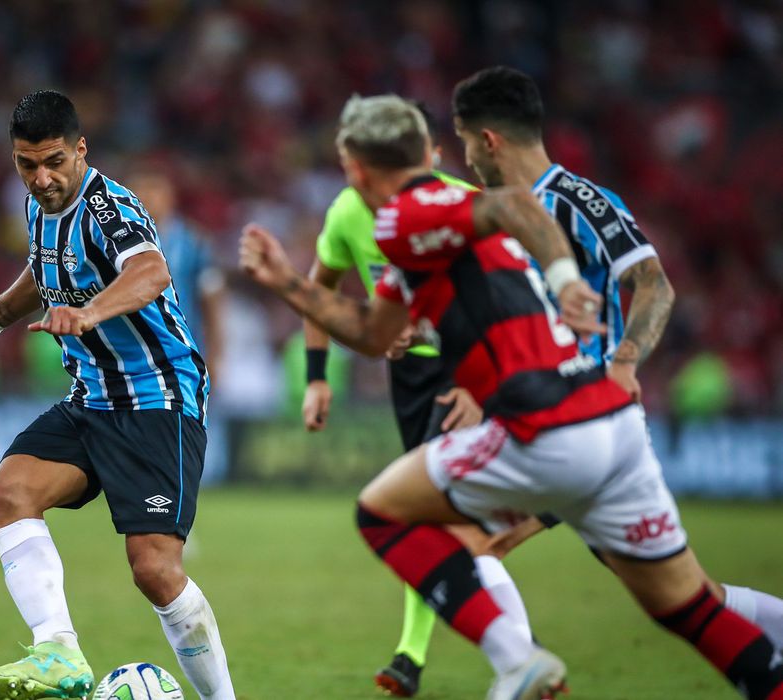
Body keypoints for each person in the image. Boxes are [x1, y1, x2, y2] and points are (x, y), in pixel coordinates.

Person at [239, 94, 783, 699]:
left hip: (543, 427)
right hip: (612, 422)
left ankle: (515, 659)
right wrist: (286, 282)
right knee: (689, 607)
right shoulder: (425, 223)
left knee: (383, 513)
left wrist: (566, 279)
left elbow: (516, 205)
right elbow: (373, 333)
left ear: (356, 169)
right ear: (426, 152)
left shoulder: (409, 215)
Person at [452, 65, 783, 650]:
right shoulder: (493, 214)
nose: (466, 158)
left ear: (489, 139)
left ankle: (523, 674)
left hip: (587, 422)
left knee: (470, 542)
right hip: (549, 423)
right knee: (687, 599)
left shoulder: (577, 200)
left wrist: (625, 361)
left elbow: (654, 283)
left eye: (463, 141)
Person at [0, 90, 235, 700]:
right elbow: (44, 270)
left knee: (154, 570)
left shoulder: (109, 207)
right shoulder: (37, 207)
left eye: (54, 162)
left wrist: (90, 313)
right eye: (27, 165)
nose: (42, 179)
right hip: (92, 398)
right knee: (6, 494)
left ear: (80, 149)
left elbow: (151, 271)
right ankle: (59, 652)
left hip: (157, 397)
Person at [301, 102, 538, 697]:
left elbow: (508, 294)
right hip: (408, 376)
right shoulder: (349, 213)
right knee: (443, 521)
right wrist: (317, 376)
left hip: (467, 370)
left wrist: (480, 384)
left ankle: (422, 654)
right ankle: (519, 659)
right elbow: (319, 290)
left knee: (429, 517)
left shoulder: (463, 204)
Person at [125, 170, 225, 380]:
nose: (147, 197)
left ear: (170, 197)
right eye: (140, 190)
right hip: (132, 352)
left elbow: (211, 299)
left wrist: (215, 354)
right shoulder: (116, 240)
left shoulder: (193, 242)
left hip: (182, 350)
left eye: (154, 190)